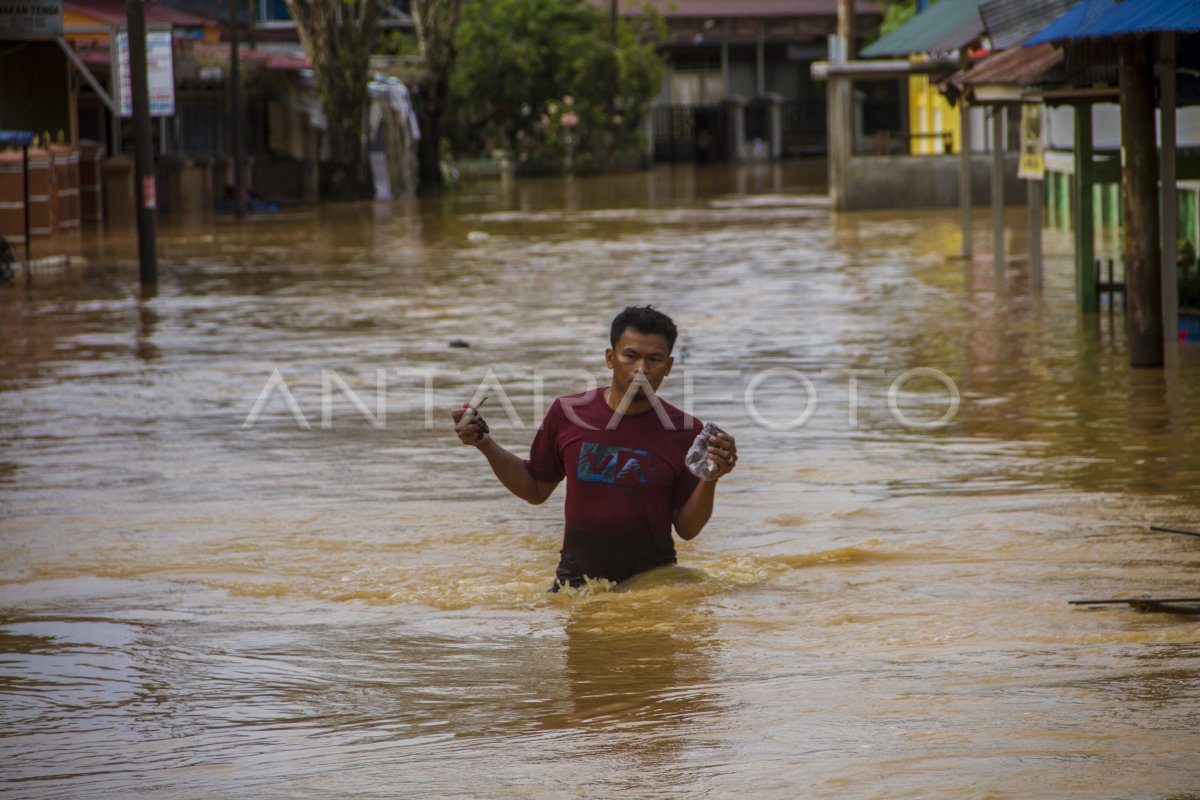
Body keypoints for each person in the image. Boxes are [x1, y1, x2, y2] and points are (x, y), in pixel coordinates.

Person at [451, 305, 738, 589]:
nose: (642, 369)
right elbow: (535, 489)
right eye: (631, 356)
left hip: (653, 588)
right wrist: (484, 443)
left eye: (654, 359)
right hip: (575, 585)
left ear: (669, 366)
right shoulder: (568, 413)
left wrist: (710, 479)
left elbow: (687, 529)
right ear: (610, 358)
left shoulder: (685, 431)